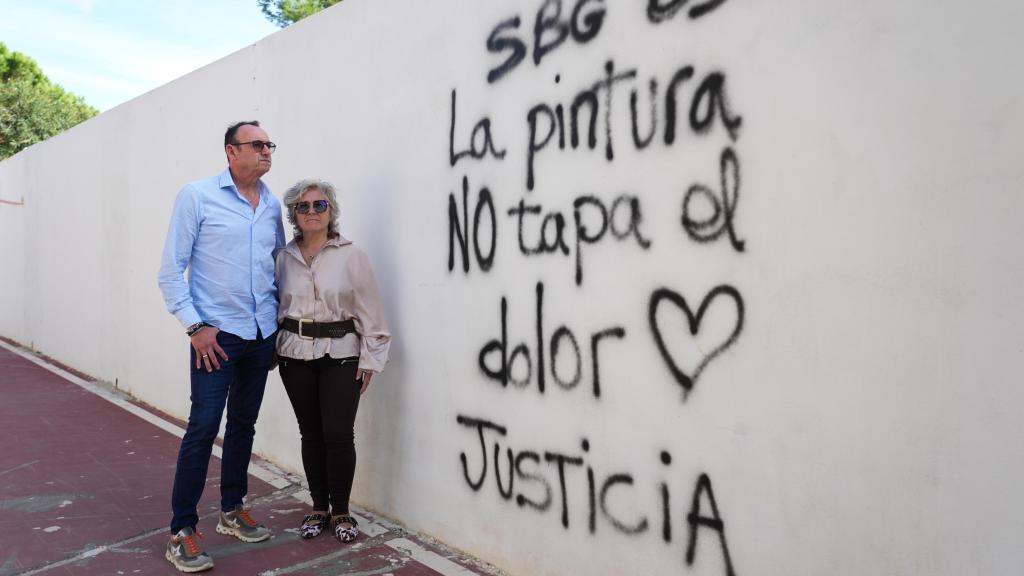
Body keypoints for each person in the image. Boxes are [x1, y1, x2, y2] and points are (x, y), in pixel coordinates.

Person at [157, 121, 285, 573]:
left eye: (270, 144)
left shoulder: (272, 204)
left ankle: (233, 509)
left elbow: (277, 269)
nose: (267, 151)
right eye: (258, 144)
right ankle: (182, 531)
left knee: (244, 425)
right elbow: (170, 271)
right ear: (231, 151)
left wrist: (275, 330)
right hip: (216, 337)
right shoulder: (197, 195)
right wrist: (195, 328)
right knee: (203, 428)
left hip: (260, 335)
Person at [275, 179, 391, 544]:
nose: (312, 212)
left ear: (331, 211)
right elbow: (273, 306)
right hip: (295, 355)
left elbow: (371, 311)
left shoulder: (351, 255)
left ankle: (341, 510)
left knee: (339, 434)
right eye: (304, 206)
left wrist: (370, 360)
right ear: (294, 214)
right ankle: (318, 508)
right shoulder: (283, 257)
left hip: (342, 355)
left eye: (319, 205)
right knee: (310, 433)